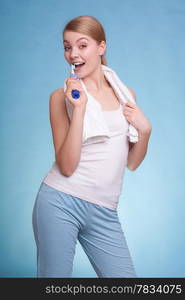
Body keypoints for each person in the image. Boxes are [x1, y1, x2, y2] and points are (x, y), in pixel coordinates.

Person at [32, 15, 152, 278]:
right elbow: (66, 165)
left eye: (82, 45)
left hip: (104, 211)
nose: (73, 54)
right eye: (67, 47)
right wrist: (81, 108)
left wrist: (145, 130)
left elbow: (131, 163)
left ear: (101, 47)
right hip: (60, 202)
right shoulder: (60, 98)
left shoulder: (126, 95)